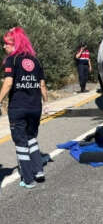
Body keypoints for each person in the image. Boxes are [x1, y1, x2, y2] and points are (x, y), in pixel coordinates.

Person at [0, 27, 48, 189]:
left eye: (6, 43)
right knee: (31, 137)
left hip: (18, 107)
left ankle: (28, 179)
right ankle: (39, 171)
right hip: (35, 107)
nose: (4, 47)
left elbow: (8, 83)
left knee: (20, 142)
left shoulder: (11, 60)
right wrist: (46, 103)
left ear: (14, 44)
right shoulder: (35, 61)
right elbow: (42, 85)